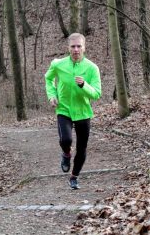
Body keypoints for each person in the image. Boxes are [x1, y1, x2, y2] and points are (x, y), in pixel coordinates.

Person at [45, 33, 101, 189]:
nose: (76, 50)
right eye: (73, 46)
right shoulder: (58, 64)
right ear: (68, 48)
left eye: (79, 46)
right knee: (66, 141)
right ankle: (66, 154)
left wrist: (84, 85)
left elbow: (97, 94)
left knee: (82, 148)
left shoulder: (92, 68)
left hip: (83, 111)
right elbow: (48, 79)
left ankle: (74, 176)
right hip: (63, 109)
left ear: (84, 47)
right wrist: (52, 95)